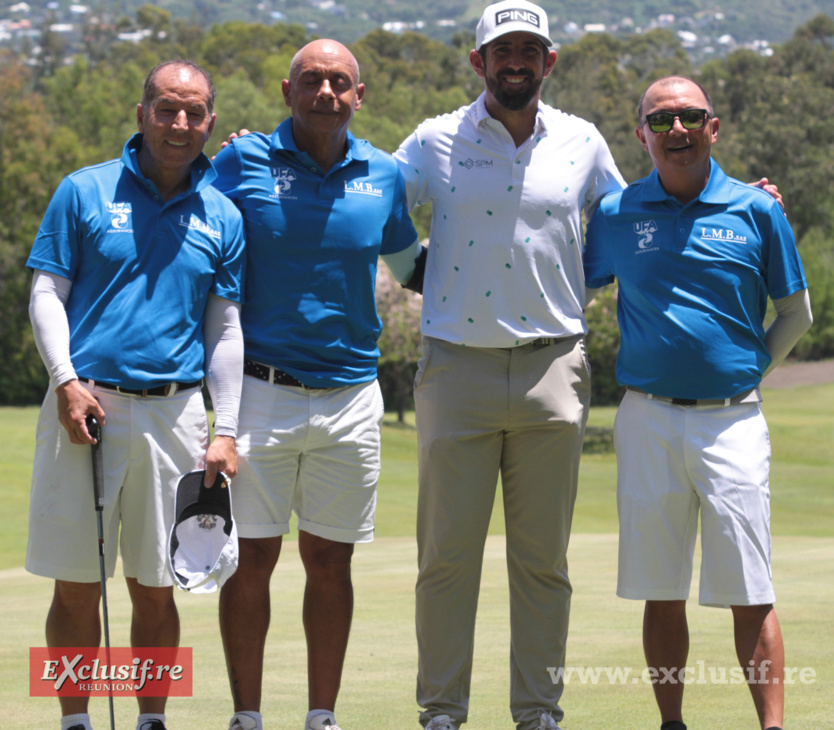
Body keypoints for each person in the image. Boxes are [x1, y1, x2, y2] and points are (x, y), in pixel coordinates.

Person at [391, 2, 626, 728]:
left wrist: (576, 281)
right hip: (455, 368)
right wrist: (415, 273)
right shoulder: (434, 139)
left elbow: (623, 218)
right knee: (446, 562)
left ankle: (537, 711)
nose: (515, 60)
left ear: (549, 61)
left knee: (542, 564)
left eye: (529, 49)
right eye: (502, 50)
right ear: (478, 62)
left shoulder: (583, 140)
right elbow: (375, 207)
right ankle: (441, 711)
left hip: (552, 368)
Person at [583, 76, 813, 730]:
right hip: (647, 417)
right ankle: (672, 724)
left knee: (751, 590)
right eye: (661, 120)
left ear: (713, 127)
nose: (676, 129)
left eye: (689, 117)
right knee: (661, 591)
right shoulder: (618, 213)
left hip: (733, 420)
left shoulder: (756, 210)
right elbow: (568, 286)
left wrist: (747, 368)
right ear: (642, 135)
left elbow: (796, 313)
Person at [25, 60, 246, 730]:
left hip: (176, 413)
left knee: (158, 585)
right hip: (84, 406)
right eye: (166, 109)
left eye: (194, 112)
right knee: (76, 585)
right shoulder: (83, 191)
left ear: (209, 120)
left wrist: (227, 426)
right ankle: (74, 721)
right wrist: (64, 380)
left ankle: (152, 721)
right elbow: (45, 294)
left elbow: (226, 326)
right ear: (142, 110)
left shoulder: (223, 214)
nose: (180, 125)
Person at [211, 40, 420, 730]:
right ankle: (247, 716)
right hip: (259, 390)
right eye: (312, 80)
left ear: (359, 96)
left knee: (331, 561)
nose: (325, 91)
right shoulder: (241, 160)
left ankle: (321, 715)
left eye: (340, 82)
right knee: (252, 560)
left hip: (351, 396)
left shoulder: (383, 173)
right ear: (286, 90)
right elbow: (187, 230)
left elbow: (416, 265)